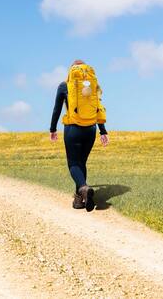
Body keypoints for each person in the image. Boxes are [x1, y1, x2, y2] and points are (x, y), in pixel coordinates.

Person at [49, 60, 109, 211]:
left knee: (74, 164)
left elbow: (57, 109)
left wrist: (53, 129)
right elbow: (98, 108)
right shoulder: (92, 85)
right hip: (91, 129)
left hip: (73, 129)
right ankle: (79, 200)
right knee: (81, 163)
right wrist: (102, 130)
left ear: (71, 72)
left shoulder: (65, 86)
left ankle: (83, 188)